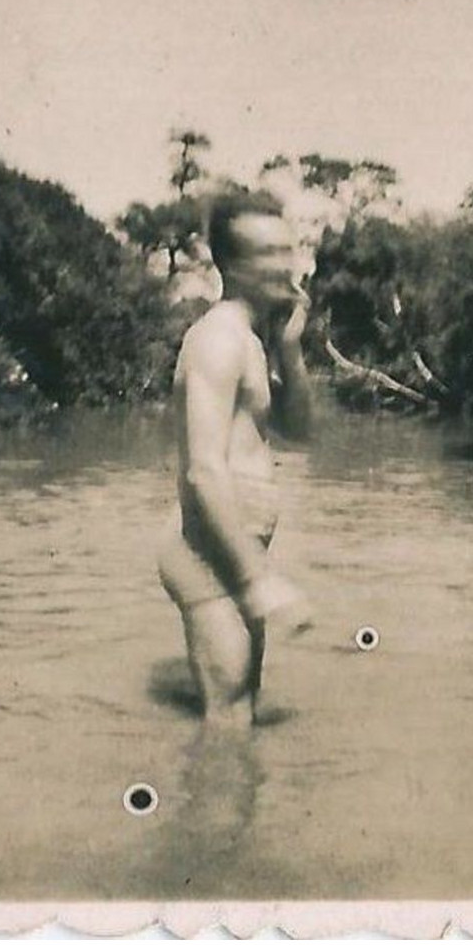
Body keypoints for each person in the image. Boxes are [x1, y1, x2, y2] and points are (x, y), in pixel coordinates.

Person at [158, 189, 316, 728]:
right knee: (228, 727)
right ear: (234, 264)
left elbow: (300, 432)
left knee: (238, 721)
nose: (287, 265)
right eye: (268, 253)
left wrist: (291, 350)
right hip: (210, 555)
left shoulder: (254, 339)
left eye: (288, 250)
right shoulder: (217, 341)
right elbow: (204, 471)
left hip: (236, 553)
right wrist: (256, 580)